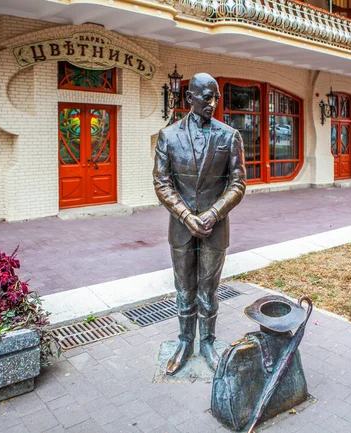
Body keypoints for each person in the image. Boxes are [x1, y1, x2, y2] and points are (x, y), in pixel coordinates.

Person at [153, 73, 246, 375]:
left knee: (208, 289)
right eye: (207, 97)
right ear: (190, 99)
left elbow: (238, 183)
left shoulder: (229, 135)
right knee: (183, 289)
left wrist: (214, 213)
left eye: (216, 97)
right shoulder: (168, 136)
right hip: (181, 228)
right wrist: (186, 216)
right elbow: (162, 182)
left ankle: (207, 342)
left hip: (214, 227)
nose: (213, 103)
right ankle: (184, 343)